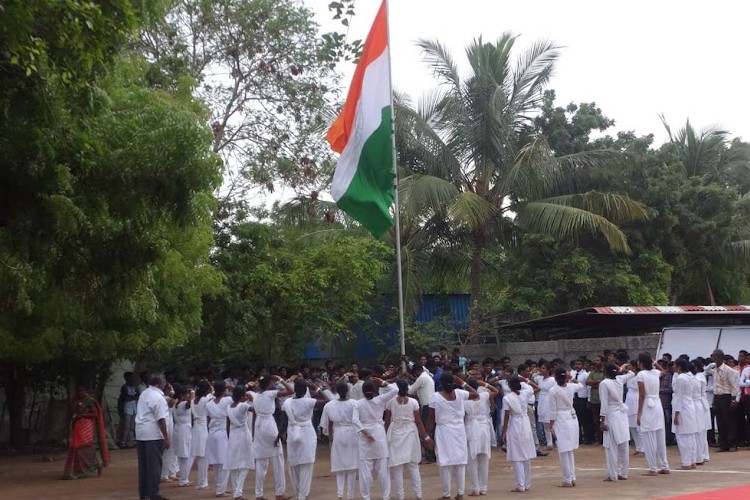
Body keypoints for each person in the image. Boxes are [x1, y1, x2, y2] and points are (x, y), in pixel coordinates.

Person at [427, 371, 480, 500]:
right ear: (454, 383)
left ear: (440, 384)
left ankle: (446, 494)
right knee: (460, 462)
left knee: (445, 463)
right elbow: (477, 394)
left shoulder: (435, 397)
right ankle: (460, 493)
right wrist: (463, 383)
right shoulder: (460, 393)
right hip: (459, 431)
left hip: (444, 431)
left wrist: (427, 436)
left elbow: (430, 419)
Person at [282, 380, 329, 500]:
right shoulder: (309, 401)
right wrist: (317, 389)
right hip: (307, 433)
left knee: (294, 464)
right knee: (306, 464)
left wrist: (278, 437)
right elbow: (327, 401)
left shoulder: (287, 403)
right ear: (305, 391)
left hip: (292, 434)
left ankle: (298, 494)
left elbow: (284, 422)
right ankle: (302, 496)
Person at [353, 378, 398, 500]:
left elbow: (355, 420)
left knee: (365, 471)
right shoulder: (380, 400)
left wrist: (365, 432)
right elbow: (395, 389)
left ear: (362, 391)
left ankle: (366, 497)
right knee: (383, 470)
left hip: (364, 436)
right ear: (374, 391)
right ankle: (385, 497)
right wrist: (382, 382)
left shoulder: (358, 404)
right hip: (379, 434)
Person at [385, 379, 430, 500]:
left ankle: (400, 496)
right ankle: (418, 495)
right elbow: (419, 422)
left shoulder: (390, 402)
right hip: (410, 433)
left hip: (395, 433)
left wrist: (385, 436)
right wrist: (425, 436)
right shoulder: (414, 402)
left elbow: (387, 422)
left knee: (397, 467)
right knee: (413, 465)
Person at [253, 374, 294, 500]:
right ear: (269, 384)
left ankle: (258, 494)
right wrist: (281, 379)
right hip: (268, 425)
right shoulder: (270, 393)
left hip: (258, 426)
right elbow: (291, 390)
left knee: (261, 461)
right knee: (277, 459)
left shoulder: (255, 396)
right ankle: (279, 493)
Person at [63, 386, 110, 480]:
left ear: (86, 391)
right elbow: (71, 413)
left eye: (82, 390)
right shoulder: (76, 401)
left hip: (86, 425)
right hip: (77, 425)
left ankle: (97, 464)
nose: (80, 392)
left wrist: (83, 415)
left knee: (84, 446)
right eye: (79, 390)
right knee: (75, 447)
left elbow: (95, 414)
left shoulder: (90, 401)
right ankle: (76, 470)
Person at [135, 376, 170, 500]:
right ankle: (154, 493)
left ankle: (144, 493)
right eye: (165, 383)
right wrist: (166, 437)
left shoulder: (144, 393)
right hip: (153, 434)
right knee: (154, 465)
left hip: (141, 433)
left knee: (144, 465)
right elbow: (161, 419)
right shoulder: (158, 397)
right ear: (160, 384)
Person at [325, 381, 360, 500]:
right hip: (352, 434)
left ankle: (340, 494)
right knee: (352, 465)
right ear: (348, 391)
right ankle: (349, 496)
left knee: (339, 466)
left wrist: (330, 438)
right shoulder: (355, 404)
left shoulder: (329, 405)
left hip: (338, 434)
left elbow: (329, 424)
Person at [636, 353, 670, 476]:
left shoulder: (641, 374)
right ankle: (664, 465)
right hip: (657, 404)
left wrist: (639, 414)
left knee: (648, 435)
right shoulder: (655, 372)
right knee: (660, 435)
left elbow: (641, 395)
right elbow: (665, 371)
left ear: (641, 362)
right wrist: (655, 363)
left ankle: (652, 468)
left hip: (648, 405)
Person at [548, 368, 583, 488]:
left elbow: (552, 410)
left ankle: (568, 479)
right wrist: (571, 377)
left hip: (561, 418)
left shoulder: (553, 390)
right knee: (569, 450)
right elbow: (581, 385)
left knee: (563, 450)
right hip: (571, 417)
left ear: (555, 378)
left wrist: (551, 424)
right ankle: (572, 477)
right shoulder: (571, 386)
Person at [502, 376, 536, 493]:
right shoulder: (525, 393)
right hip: (525, 423)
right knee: (526, 455)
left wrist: (504, 432)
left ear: (509, 386)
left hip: (515, 424)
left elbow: (506, 417)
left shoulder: (507, 398)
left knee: (517, 455)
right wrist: (526, 380)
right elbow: (536, 388)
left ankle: (520, 485)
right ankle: (526, 484)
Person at [599, 363, 632, 482]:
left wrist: (602, 420)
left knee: (610, 446)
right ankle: (624, 473)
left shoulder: (604, 383)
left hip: (611, 414)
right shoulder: (619, 379)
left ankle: (613, 475)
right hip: (622, 414)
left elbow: (604, 403)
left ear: (605, 371)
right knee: (623, 444)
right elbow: (632, 373)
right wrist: (622, 369)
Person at [464, 377, 497, 496]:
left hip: (471, 428)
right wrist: (485, 384)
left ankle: (475, 488)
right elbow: (496, 391)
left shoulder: (465, 399)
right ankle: (483, 488)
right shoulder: (483, 396)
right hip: (483, 427)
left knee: (472, 460)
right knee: (483, 459)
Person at [706, 349, 739, 452]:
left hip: (726, 396)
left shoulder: (728, 370)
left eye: (715, 356)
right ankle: (724, 444)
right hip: (717, 396)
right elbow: (705, 371)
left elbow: (733, 386)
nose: (713, 358)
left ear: (721, 358)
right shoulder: (714, 369)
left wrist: (733, 399)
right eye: (713, 356)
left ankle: (733, 443)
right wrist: (712, 364)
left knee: (729, 421)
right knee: (720, 421)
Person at [226, 385, 254, 500]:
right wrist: (250, 398)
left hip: (233, 435)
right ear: (242, 395)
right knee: (246, 463)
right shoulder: (243, 406)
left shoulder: (228, 407)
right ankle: (238, 492)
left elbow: (227, 424)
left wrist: (229, 437)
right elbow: (255, 409)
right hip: (243, 434)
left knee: (233, 464)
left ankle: (236, 493)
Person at [207, 381, 233, 497]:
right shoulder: (227, 400)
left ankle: (220, 487)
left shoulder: (209, 403)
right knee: (224, 462)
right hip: (222, 433)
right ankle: (220, 490)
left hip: (211, 433)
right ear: (224, 390)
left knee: (217, 462)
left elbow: (208, 419)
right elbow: (238, 397)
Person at [407, 361, 436, 463]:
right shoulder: (427, 377)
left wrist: (404, 383)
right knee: (430, 430)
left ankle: (429, 456)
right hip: (431, 405)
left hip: (426, 406)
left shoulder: (422, 378)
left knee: (426, 431)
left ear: (418, 371)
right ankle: (432, 454)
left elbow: (410, 391)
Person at [672, 359, 698, 469]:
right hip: (689, 405)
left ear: (679, 366)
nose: (673, 367)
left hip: (683, 407)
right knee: (690, 436)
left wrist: (677, 414)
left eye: (674, 365)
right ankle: (692, 460)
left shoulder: (681, 378)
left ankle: (686, 462)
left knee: (683, 436)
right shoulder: (690, 377)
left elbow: (679, 397)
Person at [191, 380, 213, 490]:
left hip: (196, 428)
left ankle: (202, 481)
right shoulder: (206, 399)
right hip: (203, 428)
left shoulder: (193, 400)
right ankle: (202, 482)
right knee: (204, 456)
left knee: (200, 456)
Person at [172, 385, 193, 487]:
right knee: (185, 455)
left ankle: (183, 478)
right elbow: (190, 403)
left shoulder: (175, 404)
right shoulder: (183, 404)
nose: (188, 395)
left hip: (178, 429)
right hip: (184, 430)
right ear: (182, 395)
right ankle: (184, 479)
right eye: (186, 394)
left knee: (182, 456)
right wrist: (193, 393)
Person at [692, 358, 711, 464]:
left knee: (701, 431)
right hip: (700, 403)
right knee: (700, 431)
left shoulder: (699, 377)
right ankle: (703, 454)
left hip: (700, 404)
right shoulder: (697, 376)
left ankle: (702, 454)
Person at [624, 360, 644, 456]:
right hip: (629, 399)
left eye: (630, 365)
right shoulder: (629, 375)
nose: (628, 367)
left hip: (636, 398)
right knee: (631, 426)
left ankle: (643, 449)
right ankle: (638, 447)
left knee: (638, 426)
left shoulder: (640, 375)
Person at [117, 372, 138, 449]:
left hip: (134, 408)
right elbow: (125, 398)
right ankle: (123, 442)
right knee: (126, 426)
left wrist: (131, 397)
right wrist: (132, 397)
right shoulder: (124, 387)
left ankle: (130, 442)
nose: (132, 379)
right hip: (127, 408)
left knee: (132, 426)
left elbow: (137, 396)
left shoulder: (134, 387)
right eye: (130, 377)